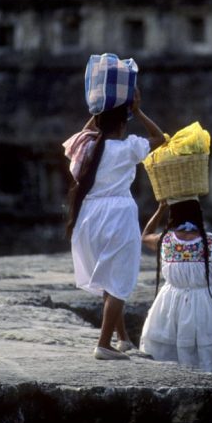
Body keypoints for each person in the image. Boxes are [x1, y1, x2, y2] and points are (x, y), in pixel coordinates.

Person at [63, 87, 165, 360]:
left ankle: (122, 339)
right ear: (122, 125)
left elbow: (85, 133)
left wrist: (99, 109)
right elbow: (160, 138)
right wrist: (138, 111)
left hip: (88, 216)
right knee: (119, 279)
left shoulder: (85, 147)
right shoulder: (127, 148)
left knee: (109, 278)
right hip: (117, 215)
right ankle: (103, 344)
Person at [139, 198, 212, 423]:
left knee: (171, 355)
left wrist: (160, 209)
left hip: (170, 305)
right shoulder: (209, 242)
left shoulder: (166, 241)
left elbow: (144, 236)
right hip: (206, 305)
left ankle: (176, 411)